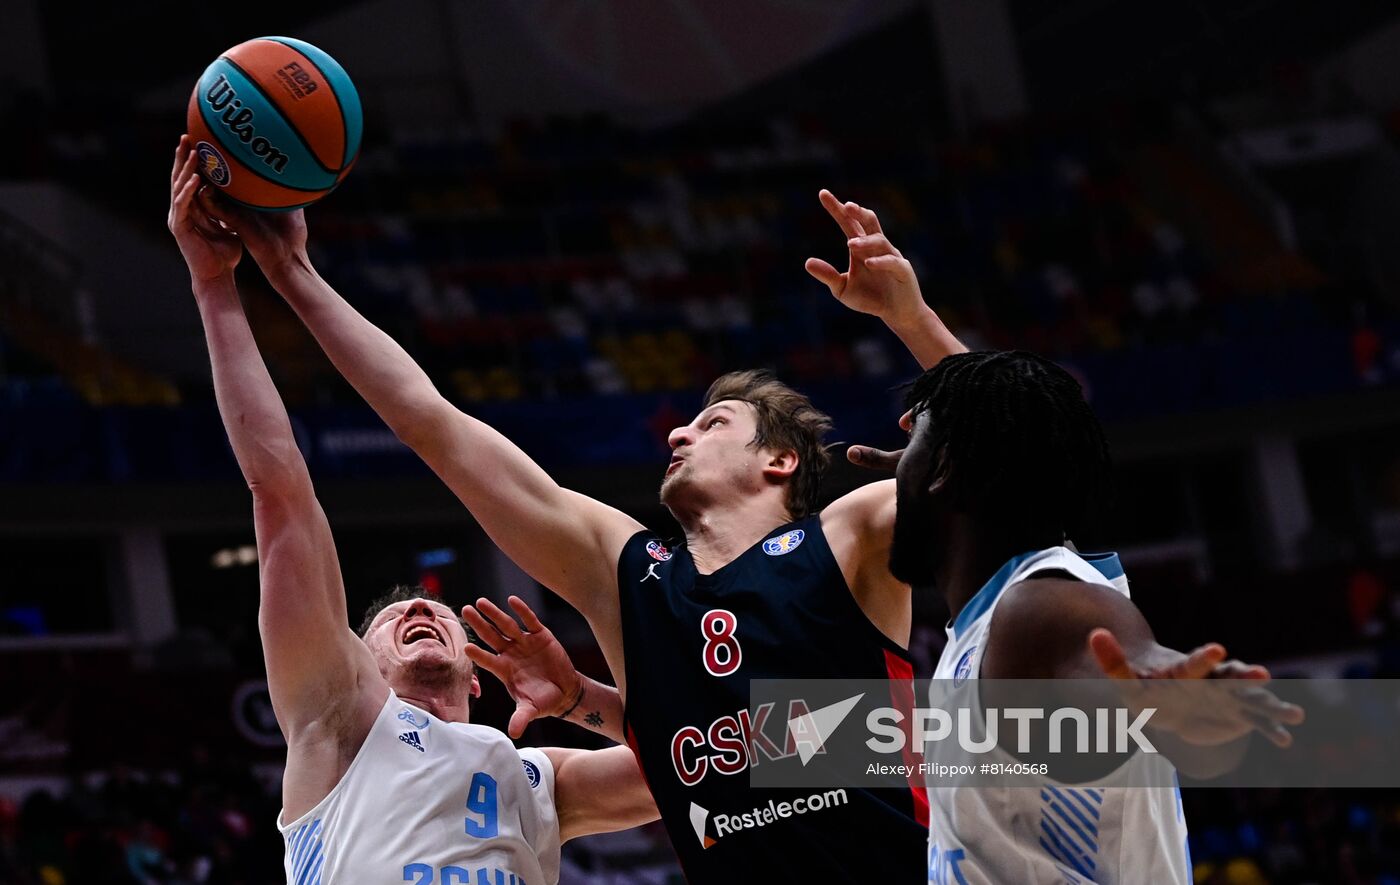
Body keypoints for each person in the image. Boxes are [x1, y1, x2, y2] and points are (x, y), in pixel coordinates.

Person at [196, 163, 963, 881]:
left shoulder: (851, 531)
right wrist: (292, 275)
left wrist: (914, 319)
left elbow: (1025, 454)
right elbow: (433, 423)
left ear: (781, 461)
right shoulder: (628, 572)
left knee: (1062, 728)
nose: (676, 434)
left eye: (713, 422)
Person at [167, 136, 657, 884]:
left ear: (478, 678)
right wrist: (213, 286)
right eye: (391, 620)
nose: (420, 611)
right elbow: (280, 488)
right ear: (354, 659)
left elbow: (745, 754)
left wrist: (585, 698)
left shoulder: (533, 776)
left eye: (440, 615)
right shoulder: (338, 720)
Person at [869, 349, 1305, 884]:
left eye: (915, 443)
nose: (897, 469)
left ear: (944, 468)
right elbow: (1020, 415)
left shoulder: (1039, 612)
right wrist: (913, 319)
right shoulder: (1013, 608)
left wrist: (1181, 710)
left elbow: (1122, 673)